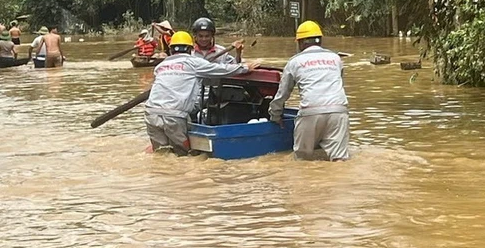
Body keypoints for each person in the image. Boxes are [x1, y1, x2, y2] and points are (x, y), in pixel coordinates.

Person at [144, 30, 260, 155]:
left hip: (151, 113)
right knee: (182, 156)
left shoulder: (160, 66)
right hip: (174, 115)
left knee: (161, 154)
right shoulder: (193, 62)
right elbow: (221, 69)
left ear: (171, 50)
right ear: (190, 49)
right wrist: (245, 67)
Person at [269, 21, 349, 161]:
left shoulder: (295, 62)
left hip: (311, 111)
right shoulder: (336, 58)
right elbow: (338, 84)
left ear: (300, 43)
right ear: (320, 40)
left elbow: (282, 94)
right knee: (340, 161)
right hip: (338, 110)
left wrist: (275, 115)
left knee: (302, 161)